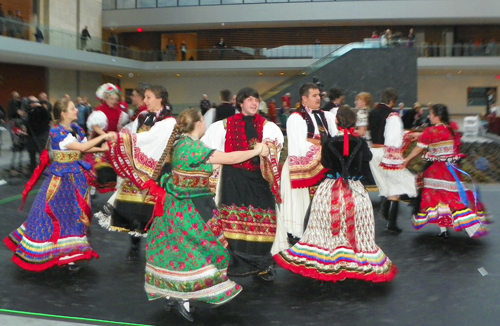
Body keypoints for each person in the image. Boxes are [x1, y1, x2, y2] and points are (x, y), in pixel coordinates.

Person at [145, 108, 272, 321]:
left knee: (178, 252)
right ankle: (182, 298)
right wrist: (257, 151)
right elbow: (229, 158)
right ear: (198, 123)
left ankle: (172, 293)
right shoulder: (191, 147)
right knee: (197, 252)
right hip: (189, 209)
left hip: (177, 206)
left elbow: (213, 161)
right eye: (203, 120)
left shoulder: (180, 144)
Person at [274, 106, 397, 283]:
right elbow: (367, 158)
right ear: (354, 123)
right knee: (356, 228)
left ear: (337, 121)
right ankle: (355, 258)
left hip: (330, 191)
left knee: (324, 228)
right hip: (355, 191)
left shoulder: (329, 143)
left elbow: (325, 162)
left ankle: (329, 257)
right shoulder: (360, 143)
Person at [3, 97, 113, 272]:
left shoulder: (76, 128)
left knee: (74, 214)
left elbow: (82, 147)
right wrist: (104, 136)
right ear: (63, 113)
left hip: (76, 178)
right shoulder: (57, 132)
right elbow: (81, 148)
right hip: (60, 180)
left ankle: (70, 253)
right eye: (72, 108)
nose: (76, 110)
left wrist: (101, 149)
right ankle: (47, 250)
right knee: (46, 212)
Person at [202, 87, 283, 281]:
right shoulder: (222, 126)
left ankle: (262, 264)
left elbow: (276, 145)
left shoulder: (267, 126)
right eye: (249, 100)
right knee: (231, 222)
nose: (254, 103)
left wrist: (268, 149)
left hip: (259, 180)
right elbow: (207, 148)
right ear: (240, 102)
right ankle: (233, 263)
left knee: (263, 222)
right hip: (233, 179)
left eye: (256, 100)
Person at [95, 85, 176, 260]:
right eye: (144, 97)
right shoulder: (142, 117)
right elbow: (133, 135)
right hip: (139, 170)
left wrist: (122, 138)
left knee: (154, 210)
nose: (144, 101)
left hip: (158, 170)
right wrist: (118, 139)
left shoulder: (169, 121)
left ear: (160, 99)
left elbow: (149, 139)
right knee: (133, 208)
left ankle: (158, 246)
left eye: (148, 97)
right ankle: (134, 244)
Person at [403, 104, 488, 239]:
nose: (429, 116)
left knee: (438, 199)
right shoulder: (450, 129)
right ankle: (467, 224)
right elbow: (441, 138)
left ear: (438, 116)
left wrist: (406, 159)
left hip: (436, 170)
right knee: (454, 196)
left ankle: (445, 229)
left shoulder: (430, 131)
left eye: (431, 114)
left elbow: (419, 148)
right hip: (451, 170)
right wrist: (420, 134)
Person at [273, 83, 337, 253]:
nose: (318, 98)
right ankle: (302, 240)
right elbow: (299, 144)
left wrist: (319, 143)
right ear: (304, 98)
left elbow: (334, 138)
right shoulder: (296, 118)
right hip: (302, 167)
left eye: (319, 95)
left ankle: (318, 237)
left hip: (322, 166)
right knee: (301, 206)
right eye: (314, 95)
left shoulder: (326, 116)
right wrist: (323, 143)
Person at [368, 88, 417, 233]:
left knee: (385, 184)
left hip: (373, 151)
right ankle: (391, 222)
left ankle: (385, 212)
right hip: (386, 152)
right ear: (392, 101)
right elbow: (393, 138)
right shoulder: (392, 115)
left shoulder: (372, 112)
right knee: (395, 186)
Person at [86, 83, 129, 193]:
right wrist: (104, 135)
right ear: (105, 98)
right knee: (96, 166)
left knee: (113, 166)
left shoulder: (120, 112)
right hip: (100, 141)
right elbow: (94, 126)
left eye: (115, 99)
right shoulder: (99, 111)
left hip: (112, 142)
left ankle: (113, 187)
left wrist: (119, 136)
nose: (113, 101)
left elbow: (119, 127)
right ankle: (93, 187)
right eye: (111, 98)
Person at [24, 96, 52, 173]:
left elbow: (48, 119)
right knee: (32, 153)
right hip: (31, 136)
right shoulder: (29, 112)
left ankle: (44, 169)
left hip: (41, 135)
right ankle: (33, 169)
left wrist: (41, 107)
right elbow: (27, 122)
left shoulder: (42, 110)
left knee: (42, 153)